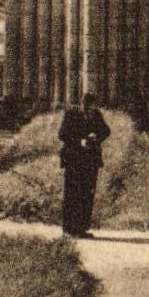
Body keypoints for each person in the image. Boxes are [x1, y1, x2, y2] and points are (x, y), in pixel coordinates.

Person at [58, 92, 110, 238]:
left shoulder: (96, 114)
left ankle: (82, 228)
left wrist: (97, 136)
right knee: (72, 193)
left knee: (87, 194)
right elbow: (62, 134)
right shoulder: (71, 114)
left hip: (90, 160)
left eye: (93, 107)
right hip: (74, 159)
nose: (91, 110)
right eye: (88, 106)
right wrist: (79, 141)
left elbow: (106, 131)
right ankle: (69, 229)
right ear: (82, 104)